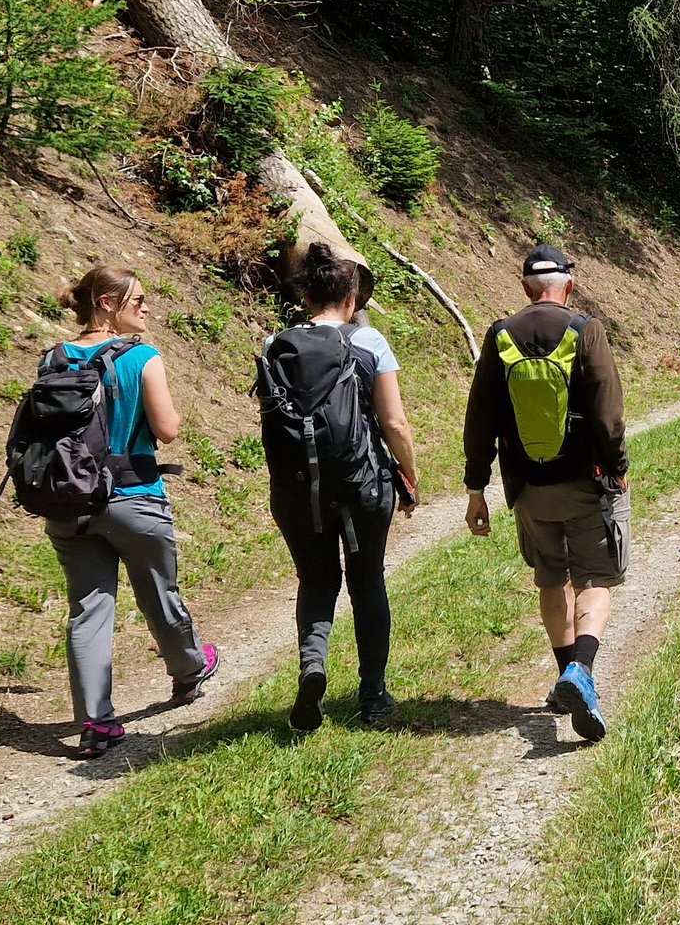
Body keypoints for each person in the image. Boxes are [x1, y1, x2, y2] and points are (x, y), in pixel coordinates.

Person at [43, 265, 218, 758]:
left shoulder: (54, 358)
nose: (146, 306)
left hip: (69, 502)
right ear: (105, 303)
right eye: (137, 299)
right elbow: (167, 430)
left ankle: (96, 723)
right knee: (159, 593)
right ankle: (188, 672)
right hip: (133, 497)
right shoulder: (142, 356)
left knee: (88, 611)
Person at [461, 245, 628, 742]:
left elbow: (480, 418)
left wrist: (476, 487)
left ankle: (563, 678)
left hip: (528, 486)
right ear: (568, 286)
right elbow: (607, 413)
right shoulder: (585, 330)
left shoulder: (500, 334)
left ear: (525, 289)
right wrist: (617, 468)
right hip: (586, 481)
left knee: (551, 579)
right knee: (596, 577)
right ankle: (581, 670)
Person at [259, 243, 421, 735]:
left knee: (317, 579)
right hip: (361, 483)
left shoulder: (274, 345)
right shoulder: (369, 343)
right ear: (351, 300)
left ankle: (314, 666)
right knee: (367, 579)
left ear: (306, 297)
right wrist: (410, 474)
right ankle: (373, 695)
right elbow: (393, 421)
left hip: (296, 489)